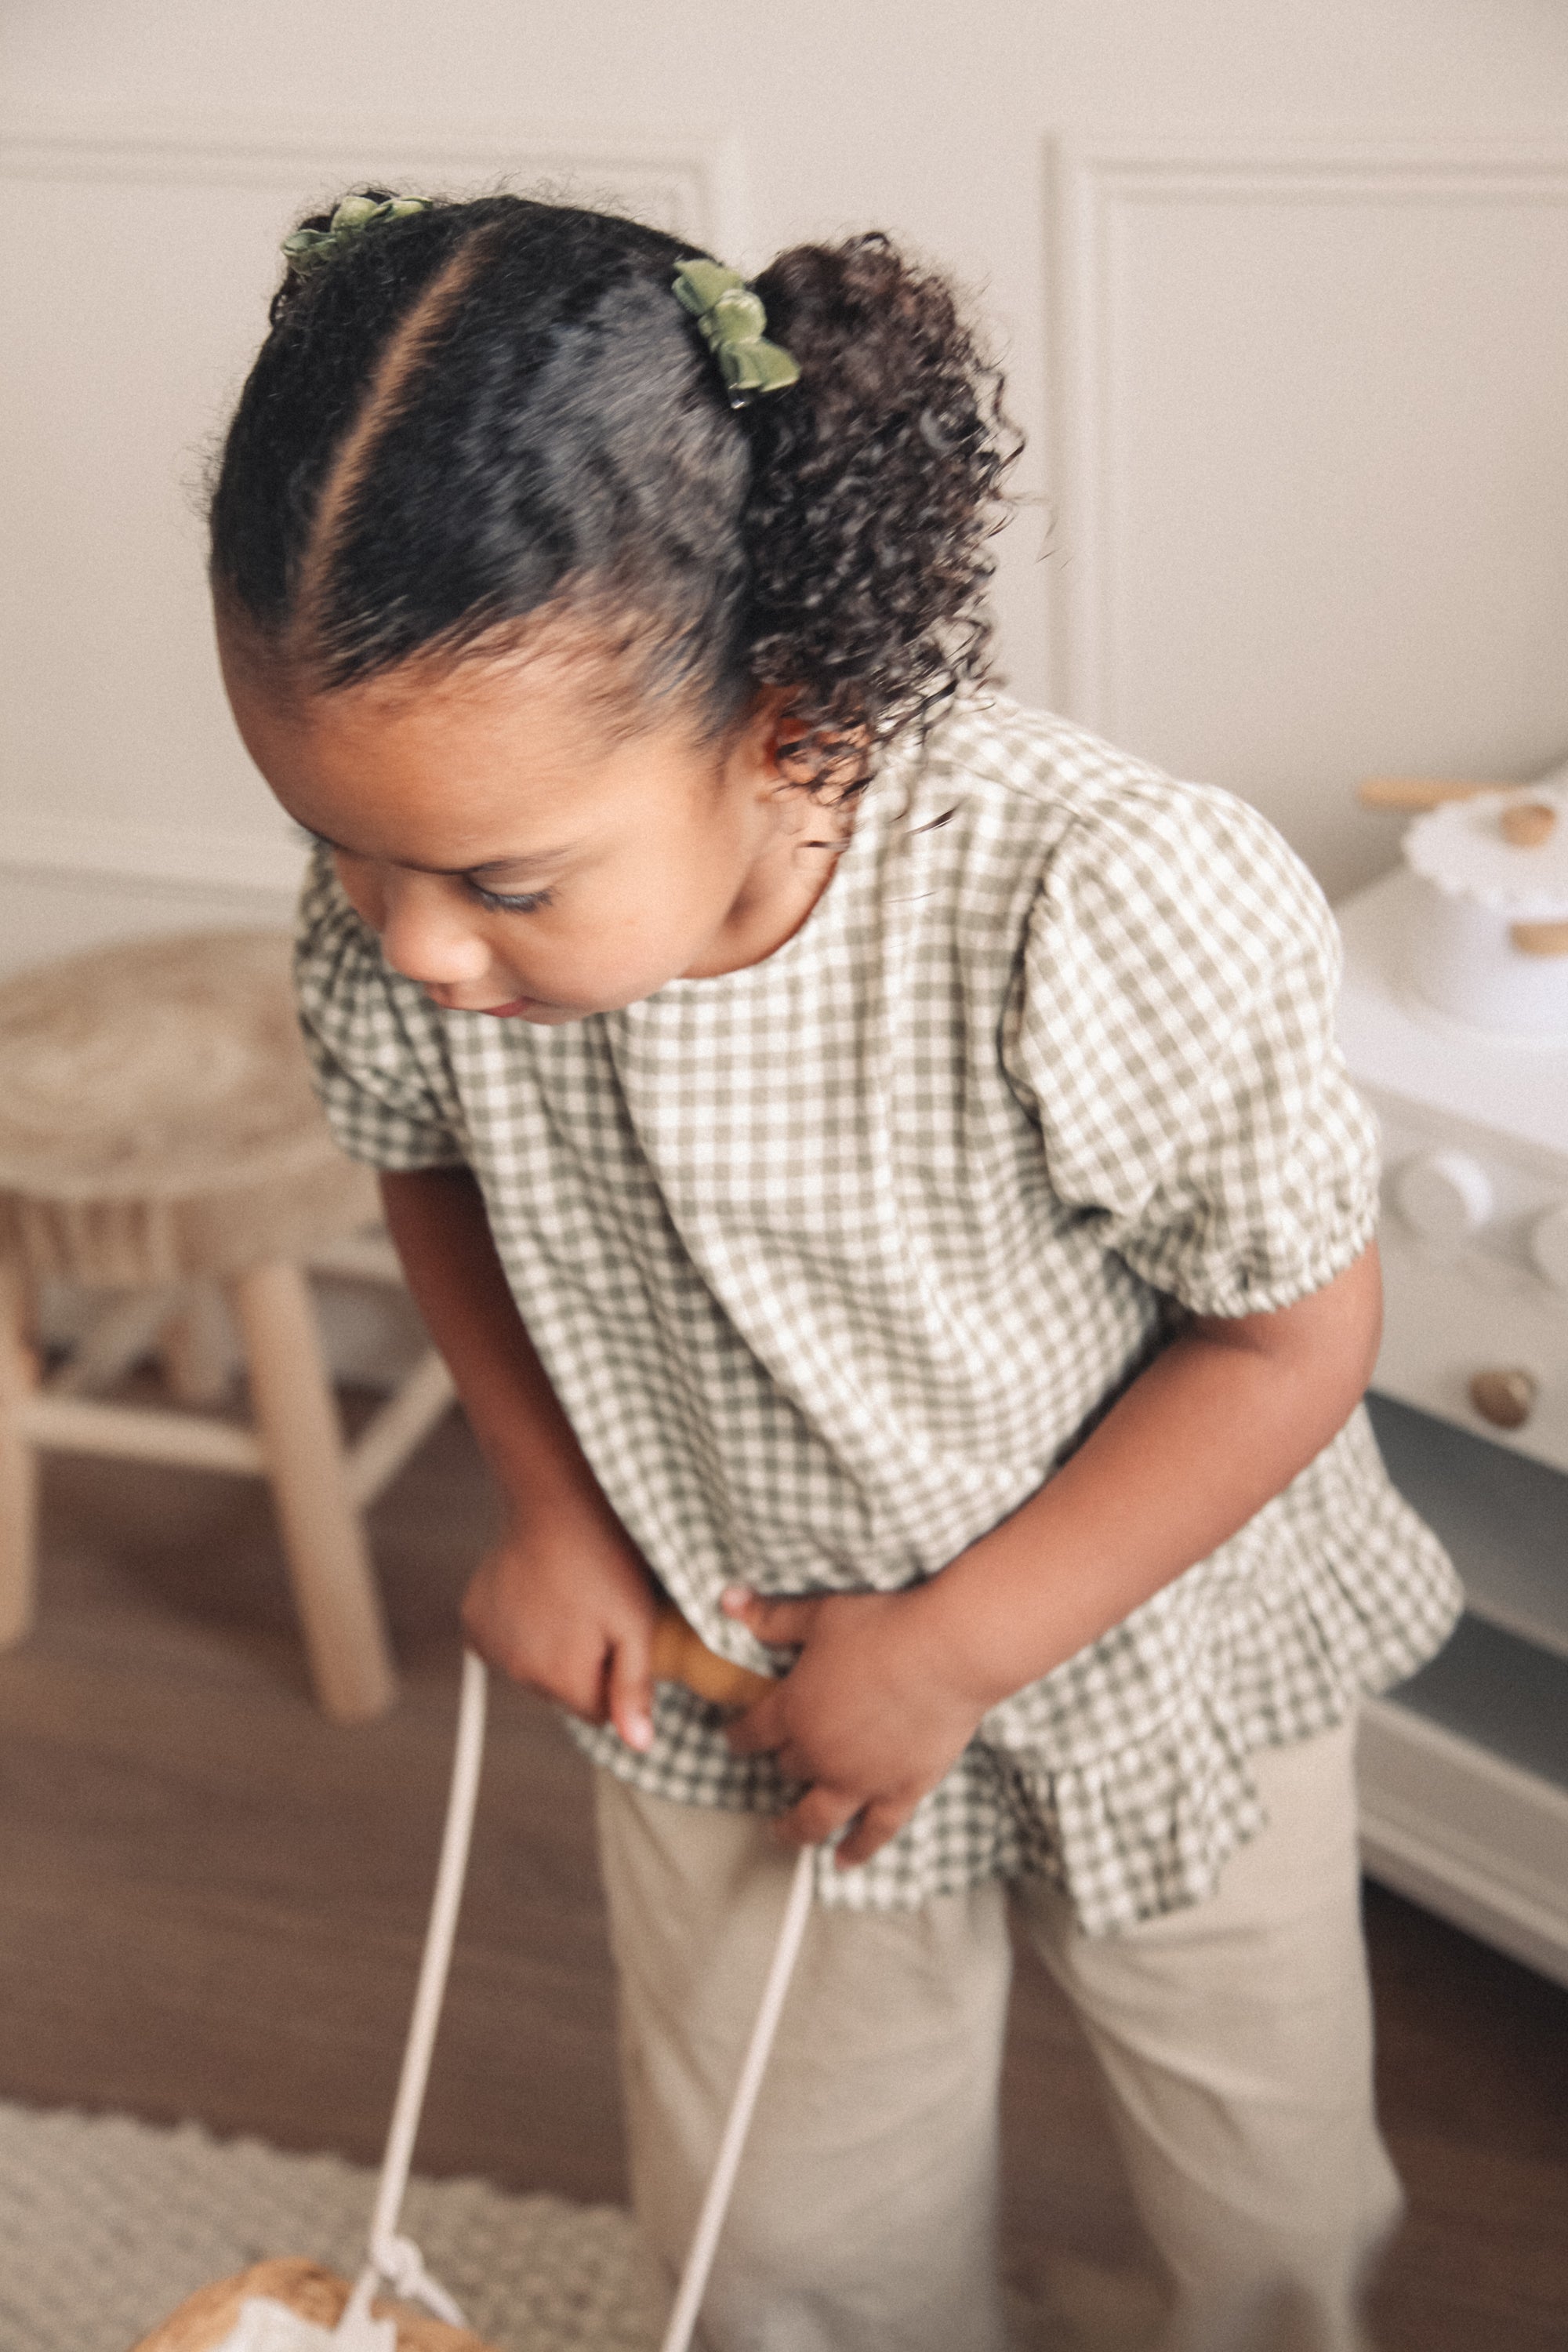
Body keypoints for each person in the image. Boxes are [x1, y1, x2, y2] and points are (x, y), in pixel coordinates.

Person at [209, 189, 1461, 2352]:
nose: (410, 944)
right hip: (731, 1674)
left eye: (501, 877)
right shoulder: (417, 914)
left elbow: (1288, 1335)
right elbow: (430, 1165)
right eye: (344, 849)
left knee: (1264, 2203)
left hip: (1150, 1653)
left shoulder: (1094, 902)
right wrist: (547, 1506)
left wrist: (959, 1648)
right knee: (779, 2250)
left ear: (790, 720)